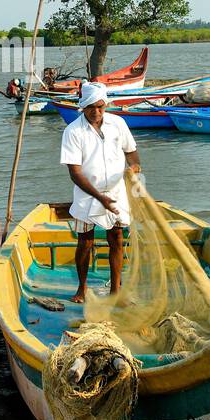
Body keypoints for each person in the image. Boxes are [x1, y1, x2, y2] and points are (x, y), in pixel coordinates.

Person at [59, 80, 142, 304]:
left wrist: (134, 168)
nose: (96, 112)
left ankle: (116, 289)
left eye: (100, 106)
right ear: (83, 107)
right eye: (91, 107)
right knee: (85, 240)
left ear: (105, 105)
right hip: (87, 193)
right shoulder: (73, 131)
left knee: (116, 236)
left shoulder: (118, 123)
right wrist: (99, 197)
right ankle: (82, 288)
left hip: (116, 191)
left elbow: (132, 154)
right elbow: (75, 173)